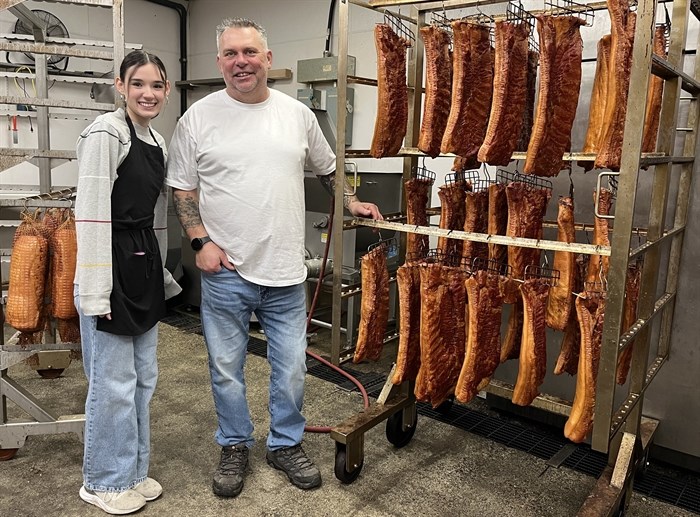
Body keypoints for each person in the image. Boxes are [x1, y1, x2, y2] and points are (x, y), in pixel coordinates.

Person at [165, 17, 383, 497]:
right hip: (226, 272)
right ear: (220, 61)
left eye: (249, 52)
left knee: (291, 368)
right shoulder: (197, 118)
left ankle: (285, 444)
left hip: (286, 271)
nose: (240, 62)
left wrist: (350, 202)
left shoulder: (296, 115)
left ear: (267, 58)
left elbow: (327, 170)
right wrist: (201, 243)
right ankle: (235, 444)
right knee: (226, 369)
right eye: (230, 54)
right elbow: (182, 187)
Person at [73, 50, 181, 515]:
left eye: (156, 85)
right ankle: (102, 480)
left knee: (142, 379)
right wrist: (96, 291)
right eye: (138, 84)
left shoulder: (156, 139)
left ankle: (132, 471)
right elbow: (92, 213)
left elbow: (154, 216)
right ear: (120, 85)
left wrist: (159, 275)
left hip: (142, 263)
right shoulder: (106, 133)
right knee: (112, 381)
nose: (148, 93)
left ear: (167, 90)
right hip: (110, 263)